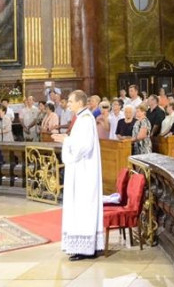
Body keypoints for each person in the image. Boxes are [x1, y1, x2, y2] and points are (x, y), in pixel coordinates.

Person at [51, 89, 104, 260]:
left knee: (83, 206)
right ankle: (80, 247)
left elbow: (84, 146)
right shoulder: (81, 118)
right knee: (78, 206)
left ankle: (86, 249)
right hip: (79, 169)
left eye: (71, 101)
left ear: (80, 103)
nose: (68, 104)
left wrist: (65, 140)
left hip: (85, 171)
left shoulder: (86, 119)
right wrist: (66, 137)